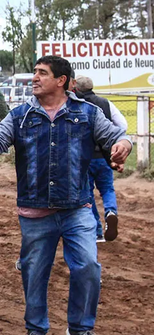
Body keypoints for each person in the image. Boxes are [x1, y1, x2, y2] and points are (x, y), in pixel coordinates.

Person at [0, 55, 132, 335]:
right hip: (35, 213)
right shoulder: (20, 116)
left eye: (42, 73)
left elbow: (118, 136)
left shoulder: (88, 113)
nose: (35, 78)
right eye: (35, 72)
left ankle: (80, 329)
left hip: (77, 208)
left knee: (88, 267)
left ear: (61, 80)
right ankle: (36, 329)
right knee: (33, 274)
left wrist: (123, 145)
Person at [74, 75, 126, 242]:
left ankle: (96, 231)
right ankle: (111, 212)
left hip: (83, 158)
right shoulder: (105, 103)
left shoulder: (75, 105)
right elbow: (122, 125)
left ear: (76, 88)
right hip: (104, 156)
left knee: (87, 193)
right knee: (107, 189)